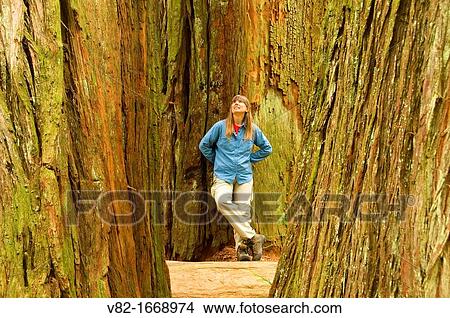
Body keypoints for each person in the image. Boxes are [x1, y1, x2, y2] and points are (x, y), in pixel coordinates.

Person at [199, 95, 272, 261]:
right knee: (222, 201)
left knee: (242, 211)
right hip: (223, 175)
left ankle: (243, 250)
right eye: (234, 102)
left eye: (241, 102)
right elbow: (204, 145)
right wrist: (218, 160)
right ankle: (253, 237)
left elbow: (267, 148)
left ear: (247, 109)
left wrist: (250, 159)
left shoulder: (252, 130)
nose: (236, 103)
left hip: (244, 176)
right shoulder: (220, 127)